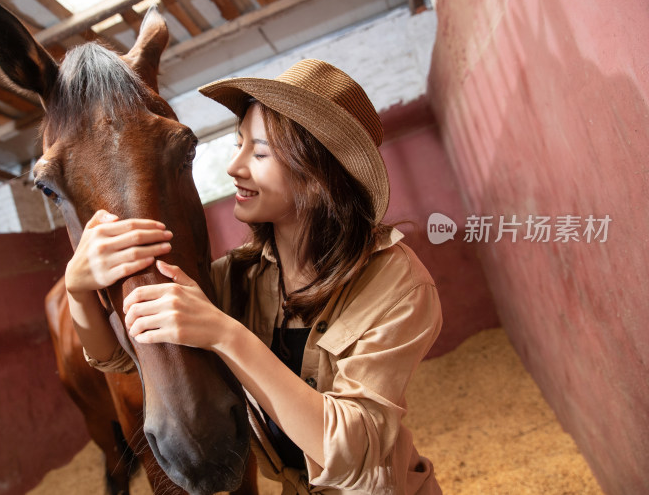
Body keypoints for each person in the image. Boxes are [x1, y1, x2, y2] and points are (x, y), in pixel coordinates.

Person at [65, 59, 443, 494]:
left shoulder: (398, 284)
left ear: (316, 174)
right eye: (238, 144)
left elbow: (352, 452)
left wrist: (226, 334)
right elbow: (118, 356)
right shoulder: (242, 276)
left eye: (259, 153)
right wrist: (79, 287)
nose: (234, 166)